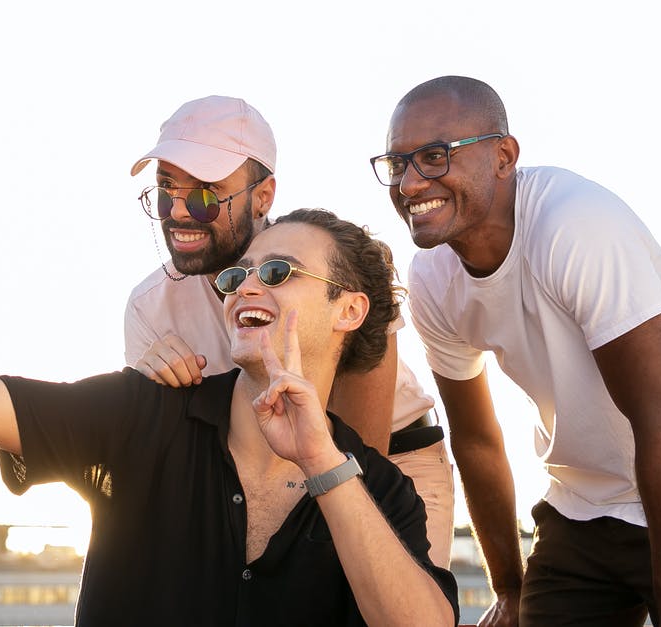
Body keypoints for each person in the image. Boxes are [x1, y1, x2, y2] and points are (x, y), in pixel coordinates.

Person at [0, 153, 458, 626]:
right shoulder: (143, 415)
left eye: (278, 273)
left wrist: (321, 462)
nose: (246, 283)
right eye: (236, 275)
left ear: (349, 309)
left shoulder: (378, 491)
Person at [370, 75, 661, 627]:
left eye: (434, 156)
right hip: (585, 506)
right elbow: (476, 441)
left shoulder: (575, 224)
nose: (410, 183)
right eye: (398, 164)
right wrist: (512, 589)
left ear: (503, 156)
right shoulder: (432, 279)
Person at [124, 95, 455, 567]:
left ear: (263, 196)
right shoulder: (149, 306)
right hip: (249, 477)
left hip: (389, 461)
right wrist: (150, 385)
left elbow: (366, 453)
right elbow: (160, 460)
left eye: (204, 193)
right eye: (166, 188)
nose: (178, 212)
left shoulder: (332, 263)